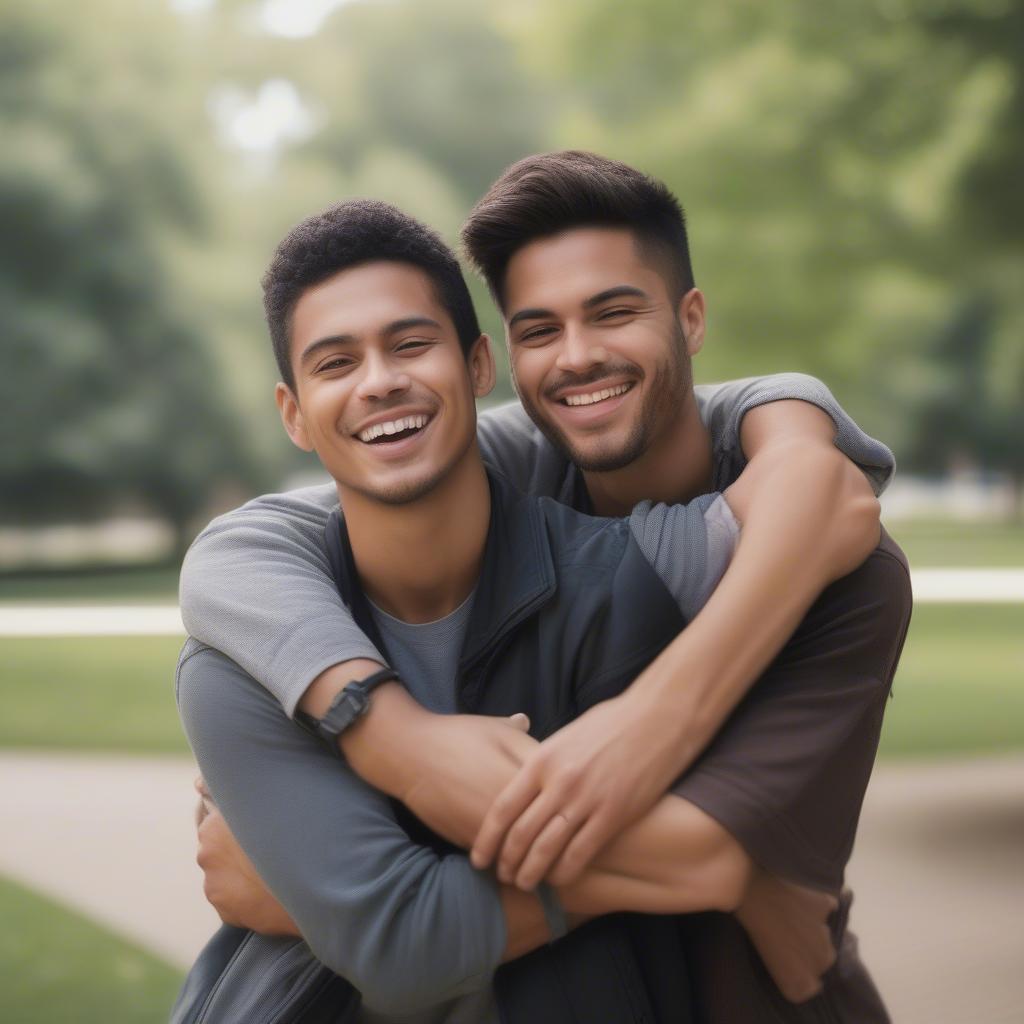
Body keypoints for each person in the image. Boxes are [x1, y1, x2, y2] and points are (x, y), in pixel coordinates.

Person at [178, 155, 911, 1021]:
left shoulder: (811, 577)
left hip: (746, 993)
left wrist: (318, 882)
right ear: (506, 360)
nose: (579, 358)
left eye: (614, 311)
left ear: (691, 319)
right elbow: (235, 550)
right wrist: (386, 734)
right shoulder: (505, 467)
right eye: (540, 329)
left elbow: (704, 857)